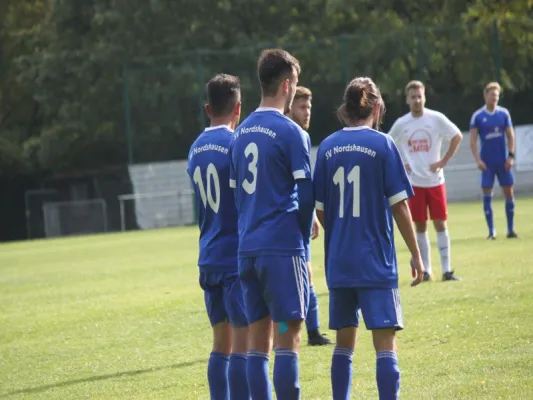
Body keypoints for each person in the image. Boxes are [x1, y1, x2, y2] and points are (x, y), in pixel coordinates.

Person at [313, 77, 424, 400]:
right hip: (376, 261)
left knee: (344, 343)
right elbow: (401, 206)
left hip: (340, 262)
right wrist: (416, 254)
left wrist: (342, 232)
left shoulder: (328, 147)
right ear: (376, 108)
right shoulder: (383, 144)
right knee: (385, 343)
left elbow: (320, 210)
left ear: (345, 110)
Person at [229, 49, 314, 400]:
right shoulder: (291, 132)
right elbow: (307, 198)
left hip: (247, 251)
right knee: (289, 331)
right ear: (286, 84)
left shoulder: (240, 132)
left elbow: (237, 198)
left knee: (258, 339)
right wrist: (303, 245)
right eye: (294, 84)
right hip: (281, 252)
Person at [187, 74, 249, 400]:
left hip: (208, 255)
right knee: (243, 343)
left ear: (207, 108)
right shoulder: (237, 144)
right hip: (235, 256)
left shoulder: (195, 148)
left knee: (219, 345)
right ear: (238, 107)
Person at [388, 80, 463, 282]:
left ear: (424, 97)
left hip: (435, 181)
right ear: (407, 100)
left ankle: (447, 270)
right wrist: (402, 163)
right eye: (413, 97)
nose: (417, 100)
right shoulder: (402, 123)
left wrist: (443, 160)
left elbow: (457, 136)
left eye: (420, 96)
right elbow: (387, 144)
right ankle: (427, 270)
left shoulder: (436, 118)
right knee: (420, 226)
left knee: (440, 223)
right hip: (414, 184)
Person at [285, 86, 332, 347]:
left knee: (307, 274)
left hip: (300, 213)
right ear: (290, 107)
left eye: (309, 108)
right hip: (287, 218)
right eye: (302, 107)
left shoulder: (301, 135)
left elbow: (302, 182)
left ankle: (313, 332)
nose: (307, 112)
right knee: (293, 279)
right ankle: (296, 330)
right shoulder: (291, 135)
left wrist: (312, 213)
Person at [469, 82, 518, 239]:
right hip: (487, 164)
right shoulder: (478, 116)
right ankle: (492, 231)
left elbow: (511, 135)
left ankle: (510, 230)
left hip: (503, 162)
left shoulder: (504, 114)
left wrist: (511, 156)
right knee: (487, 194)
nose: (494, 98)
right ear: (486, 96)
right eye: (492, 95)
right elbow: (472, 141)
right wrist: (478, 160)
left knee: (509, 193)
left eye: (496, 95)